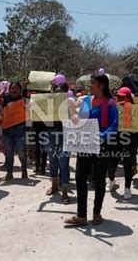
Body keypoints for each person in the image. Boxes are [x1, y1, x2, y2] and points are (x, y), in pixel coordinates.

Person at [65, 74, 118, 226]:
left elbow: (113, 127)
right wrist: (74, 119)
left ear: (101, 85)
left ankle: (97, 213)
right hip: (84, 144)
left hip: (102, 146)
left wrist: (98, 136)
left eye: (92, 83)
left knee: (99, 180)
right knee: (80, 178)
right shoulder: (87, 100)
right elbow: (81, 120)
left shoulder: (110, 103)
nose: (90, 85)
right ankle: (81, 215)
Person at [44, 75, 77, 204]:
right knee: (52, 161)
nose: (58, 96)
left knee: (63, 163)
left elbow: (75, 118)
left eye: (60, 93)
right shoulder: (49, 104)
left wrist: (71, 112)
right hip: (51, 134)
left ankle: (64, 191)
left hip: (65, 135)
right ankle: (54, 186)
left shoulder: (70, 102)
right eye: (55, 93)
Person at [106, 87, 135, 200]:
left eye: (122, 97)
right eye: (118, 96)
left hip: (129, 140)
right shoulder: (113, 107)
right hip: (115, 139)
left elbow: (136, 125)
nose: (119, 98)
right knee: (112, 164)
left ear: (128, 98)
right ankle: (111, 179)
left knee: (127, 165)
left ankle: (127, 188)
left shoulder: (135, 109)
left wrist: (127, 109)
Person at [1, 82, 28, 181]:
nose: (14, 90)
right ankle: (9, 173)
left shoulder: (23, 99)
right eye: (12, 88)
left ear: (20, 89)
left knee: (21, 151)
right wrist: (2, 91)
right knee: (8, 152)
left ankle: (24, 169)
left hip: (20, 129)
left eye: (16, 88)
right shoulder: (6, 98)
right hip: (7, 130)